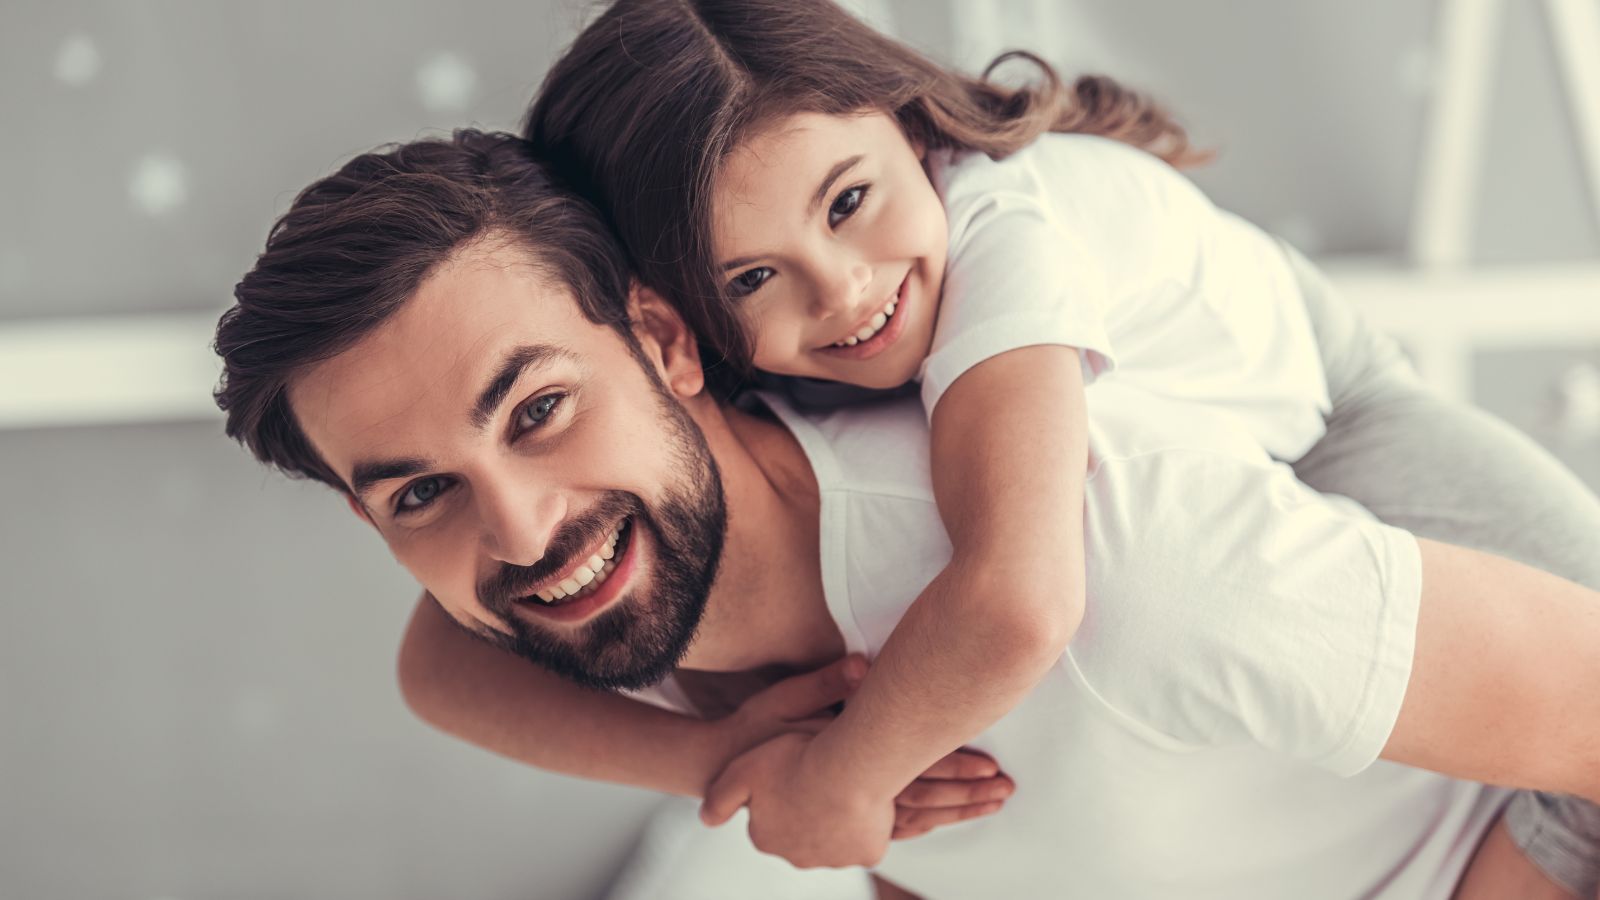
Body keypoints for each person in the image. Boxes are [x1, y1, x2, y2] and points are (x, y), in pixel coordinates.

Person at [213, 130, 1600, 899]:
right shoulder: (625, 613)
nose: (518, 532)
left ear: (665, 340)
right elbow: (436, 667)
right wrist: (721, 762)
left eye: (538, 410)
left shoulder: (1121, 556)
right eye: (420, 493)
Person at [522, 1, 1600, 884]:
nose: (841, 289)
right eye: (752, 277)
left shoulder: (1003, 230)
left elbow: (1017, 593)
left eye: (849, 201)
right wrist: (708, 756)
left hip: (1330, 410)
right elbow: (444, 665)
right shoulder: (786, 396)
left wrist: (843, 779)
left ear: (909, 128)